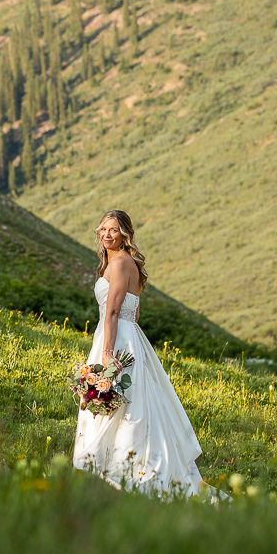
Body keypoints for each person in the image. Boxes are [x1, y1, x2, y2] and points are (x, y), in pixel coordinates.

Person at [72, 209, 208, 496]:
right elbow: (134, 316)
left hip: (115, 338)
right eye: (103, 229)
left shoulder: (120, 263)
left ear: (125, 235)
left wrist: (108, 352)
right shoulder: (123, 262)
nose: (107, 234)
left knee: (122, 400)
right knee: (127, 400)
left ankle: (122, 465)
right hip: (127, 335)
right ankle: (116, 460)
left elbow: (112, 312)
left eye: (114, 230)